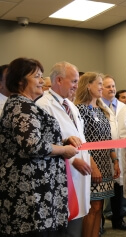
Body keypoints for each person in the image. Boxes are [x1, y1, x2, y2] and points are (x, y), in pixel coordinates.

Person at [0, 57, 79, 236]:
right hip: (30, 196)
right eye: (37, 76)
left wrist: (63, 143)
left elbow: (36, 140)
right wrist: (63, 150)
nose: (42, 81)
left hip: (38, 192)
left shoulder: (24, 105)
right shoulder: (22, 106)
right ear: (20, 81)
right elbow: (32, 145)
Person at [36, 61, 92, 237]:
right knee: (64, 225)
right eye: (74, 81)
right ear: (59, 80)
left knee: (76, 221)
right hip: (63, 171)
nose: (77, 86)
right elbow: (44, 142)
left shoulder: (71, 105)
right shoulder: (43, 105)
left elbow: (79, 137)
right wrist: (74, 160)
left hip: (79, 171)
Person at [74, 72, 120, 237]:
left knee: (99, 208)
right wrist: (93, 167)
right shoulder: (80, 110)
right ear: (88, 86)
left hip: (105, 165)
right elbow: (82, 140)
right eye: (99, 84)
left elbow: (108, 138)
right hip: (90, 166)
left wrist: (115, 160)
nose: (102, 87)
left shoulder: (101, 109)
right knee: (91, 208)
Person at [101, 75, 126, 231]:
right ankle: (99, 223)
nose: (112, 89)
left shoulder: (122, 106)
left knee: (118, 188)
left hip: (119, 152)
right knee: (101, 190)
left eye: (113, 86)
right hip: (103, 153)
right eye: (108, 87)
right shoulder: (98, 106)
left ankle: (118, 220)